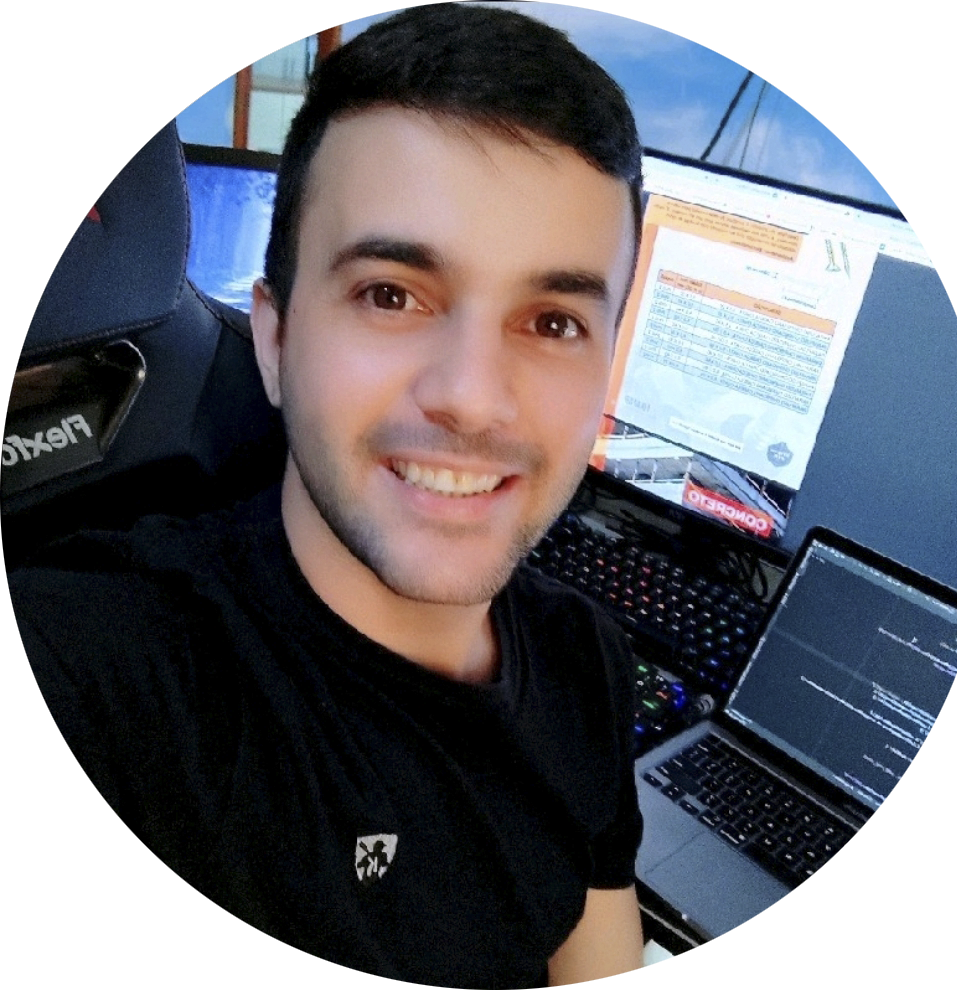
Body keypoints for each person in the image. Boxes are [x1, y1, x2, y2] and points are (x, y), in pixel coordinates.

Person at [9, 4, 647, 986]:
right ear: (273, 340)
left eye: (553, 321)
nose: (473, 398)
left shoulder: (588, 661)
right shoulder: (99, 672)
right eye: (391, 294)